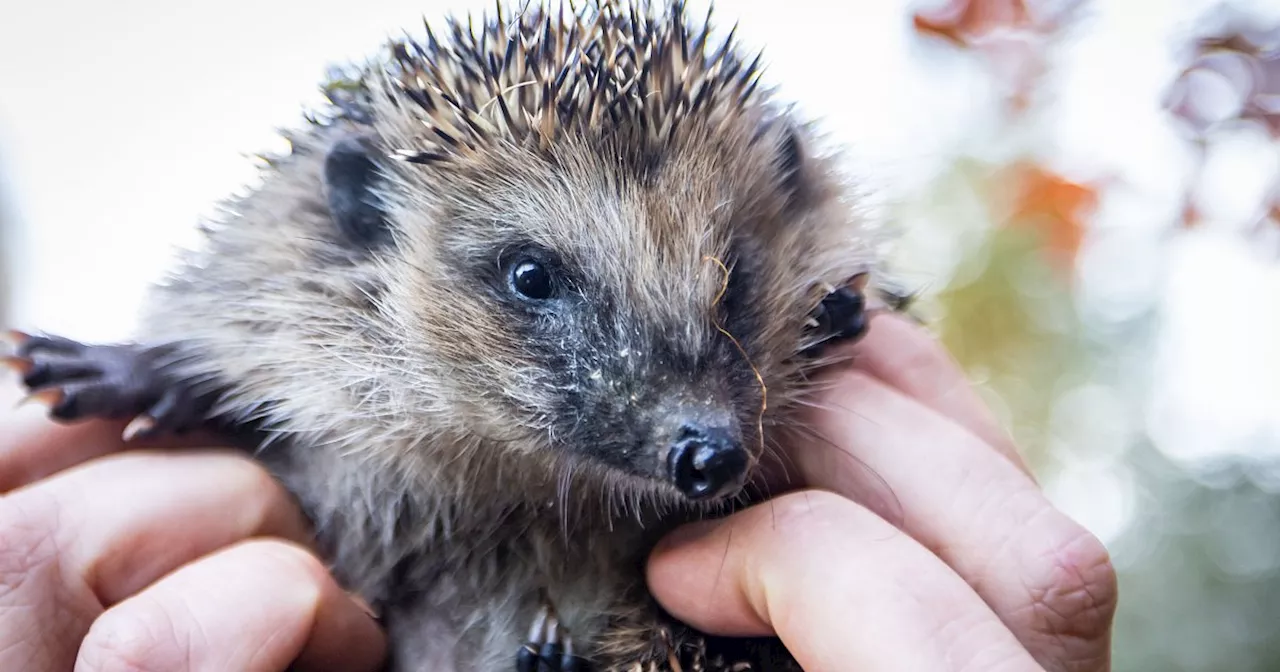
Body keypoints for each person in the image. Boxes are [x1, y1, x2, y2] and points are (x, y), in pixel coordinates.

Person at [0, 313, 1117, 671]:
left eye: (723, 284)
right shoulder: (312, 339)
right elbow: (261, 358)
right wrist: (172, 374)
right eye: (535, 283)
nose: (700, 430)